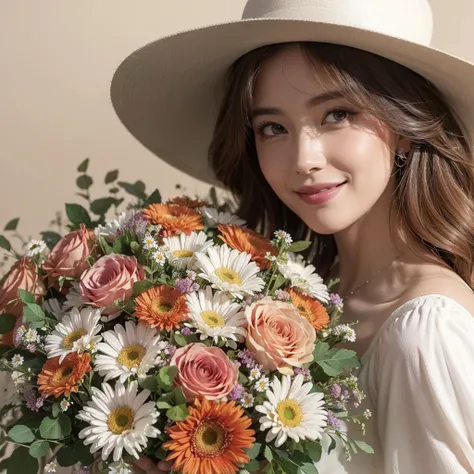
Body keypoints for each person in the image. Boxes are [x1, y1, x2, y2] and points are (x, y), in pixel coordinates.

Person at [111, 0, 474, 472]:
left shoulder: (425, 333)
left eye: (338, 114)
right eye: (273, 127)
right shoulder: (299, 296)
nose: (304, 158)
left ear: (405, 125)